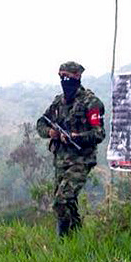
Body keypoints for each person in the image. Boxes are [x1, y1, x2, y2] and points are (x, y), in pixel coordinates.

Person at [36, 62, 105, 236]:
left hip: (81, 159)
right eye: (61, 77)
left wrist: (75, 137)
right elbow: (41, 123)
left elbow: (99, 133)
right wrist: (52, 133)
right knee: (69, 203)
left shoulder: (91, 102)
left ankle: (63, 240)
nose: (64, 81)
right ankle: (77, 239)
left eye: (67, 77)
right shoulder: (59, 102)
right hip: (61, 160)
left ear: (77, 77)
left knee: (61, 201)